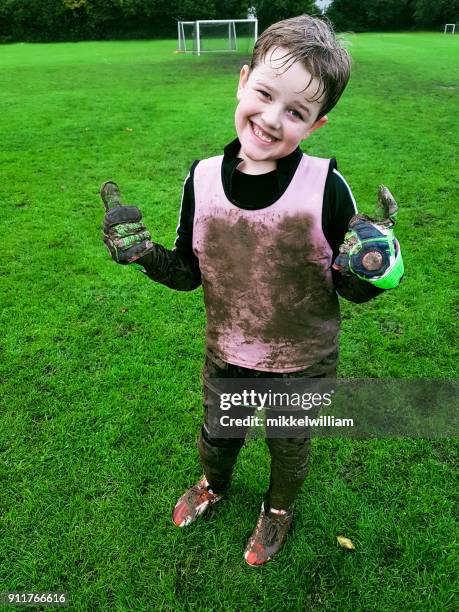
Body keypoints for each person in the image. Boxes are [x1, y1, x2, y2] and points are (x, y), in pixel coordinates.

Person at [101, 14, 404, 566]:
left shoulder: (325, 186)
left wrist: (371, 272)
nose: (271, 119)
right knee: (220, 434)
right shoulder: (203, 178)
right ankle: (214, 485)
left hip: (304, 358)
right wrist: (144, 254)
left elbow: (347, 283)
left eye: (296, 112)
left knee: (289, 447)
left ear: (316, 125)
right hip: (229, 350)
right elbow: (189, 272)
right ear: (243, 80)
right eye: (264, 93)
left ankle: (278, 511)